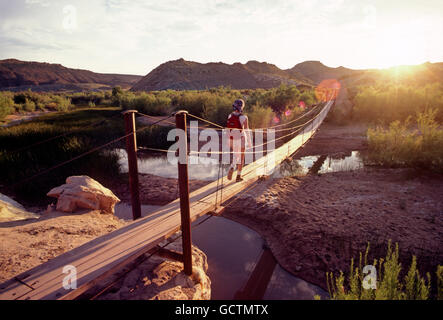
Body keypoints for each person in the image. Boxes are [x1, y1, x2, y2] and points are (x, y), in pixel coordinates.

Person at [226, 99, 252, 182]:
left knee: (236, 155)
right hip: (241, 138)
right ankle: (238, 176)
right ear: (242, 107)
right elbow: (247, 131)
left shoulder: (230, 116)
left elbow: (228, 129)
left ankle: (232, 166)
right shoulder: (244, 117)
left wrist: (229, 140)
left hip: (233, 138)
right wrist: (249, 142)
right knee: (241, 157)